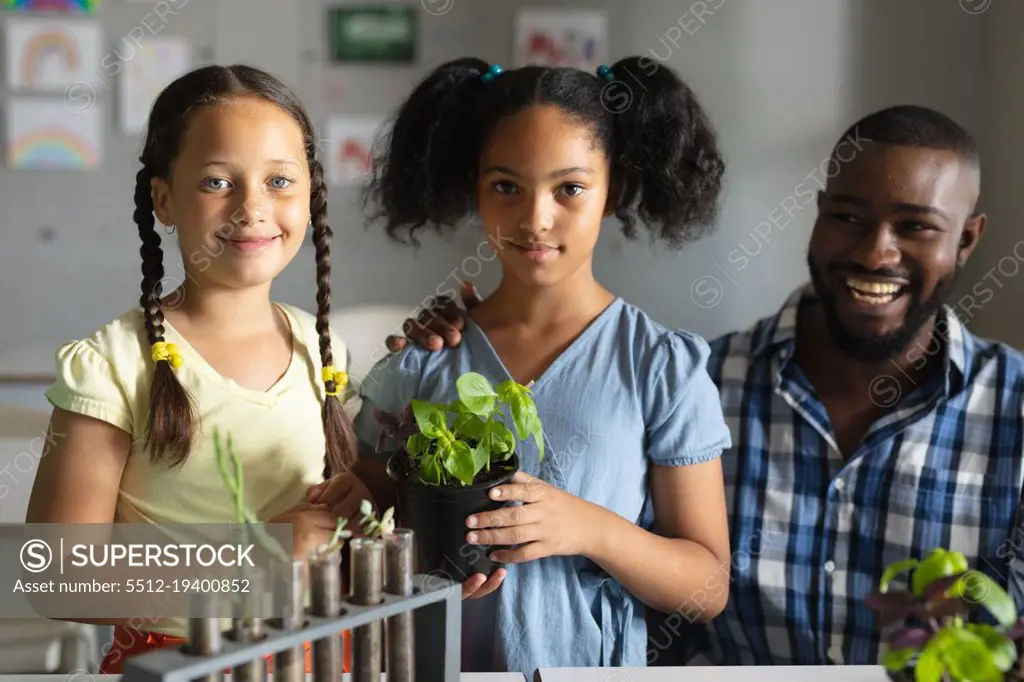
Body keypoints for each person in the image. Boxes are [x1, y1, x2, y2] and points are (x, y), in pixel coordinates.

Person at [386, 104, 1024, 667]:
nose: (877, 252)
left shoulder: (1012, 410)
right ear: (819, 215)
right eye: (850, 217)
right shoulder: (714, 375)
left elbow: (697, 584)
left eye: (916, 227)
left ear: (967, 239)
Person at [309, 56, 733, 674]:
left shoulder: (661, 367)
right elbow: (362, 529)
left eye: (570, 188)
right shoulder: (424, 362)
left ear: (613, 190)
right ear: (473, 187)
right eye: (506, 186)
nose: (536, 218)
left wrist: (590, 528)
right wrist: (408, 559)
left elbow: (708, 591)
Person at [25, 64, 370, 673]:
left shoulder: (325, 351)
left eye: (279, 181)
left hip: (317, 656)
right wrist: (258, 560)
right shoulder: (112, 363)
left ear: (310, 196)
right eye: (217, 181)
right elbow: (56, 576)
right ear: (164, 199)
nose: (252, 207)